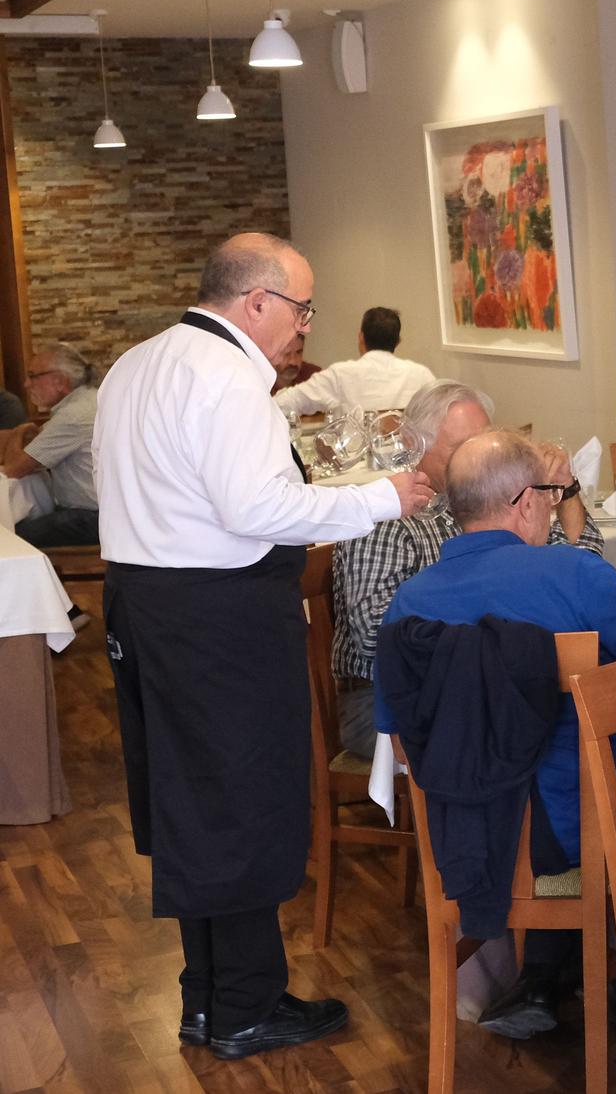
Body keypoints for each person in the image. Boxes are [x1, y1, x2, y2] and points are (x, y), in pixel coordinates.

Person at [92, 232, 434, 1060]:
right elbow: (259, 512)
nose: (305, 327)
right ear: (257, 303)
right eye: (302, 308)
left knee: (190, 802)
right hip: (219, 614)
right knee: (244, 800)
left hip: (143, 602)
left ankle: (208, 999)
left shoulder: (136, 363)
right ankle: (244, 1006)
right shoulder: (229, 379)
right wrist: (379, 500)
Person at [381, 429, 616, 1038]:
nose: (553, 505)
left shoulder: (406, 604)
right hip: (583, 835)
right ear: (524, 502)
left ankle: (549, 975)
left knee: (573, 781)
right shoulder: (569, 571)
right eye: (551, 494)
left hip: (465, 836)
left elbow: (399, 743)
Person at [330, 379, 603, 756]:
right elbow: (379, 639)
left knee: (575, 721)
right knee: (546, 729)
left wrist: (564, 488)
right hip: (387, 704)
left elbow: (583, 567)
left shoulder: (489, 505)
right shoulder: (385, 519)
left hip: (491, 683)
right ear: (414, 445)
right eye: (462, 448)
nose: (480, 460)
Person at [1, 342, 100, 548]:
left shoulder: (73, 416)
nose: (26, 384)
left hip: (91, 517)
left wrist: (19, 431)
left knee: (10, 537)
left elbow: (14, 468)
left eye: (33, 376)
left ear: (60, 381)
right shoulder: (89, 401)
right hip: (106, 512)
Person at [273, 305, 433, 414]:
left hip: (355, 462)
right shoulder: (422, 375)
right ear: (398, 342)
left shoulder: (340, 375)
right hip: (405, 461)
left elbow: (284, 403)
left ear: (361, 338)